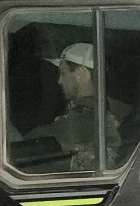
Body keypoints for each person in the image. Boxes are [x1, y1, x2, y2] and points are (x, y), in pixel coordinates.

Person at [25, 42, 121, 171]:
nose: (59, 81)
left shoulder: (88, 119)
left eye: (63, 73)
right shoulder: (105, 112)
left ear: (80, 73)